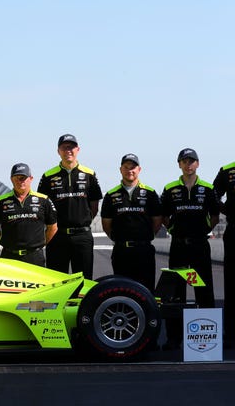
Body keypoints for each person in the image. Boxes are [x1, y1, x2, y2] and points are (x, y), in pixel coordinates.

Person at [160, 148, 220, 349]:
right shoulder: (170, 189)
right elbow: (164, 216)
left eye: (192, 161)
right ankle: (174, 339)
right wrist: (173, 229)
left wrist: (203, 231)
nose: (188, 165)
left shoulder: (208, 188)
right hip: (178, 245)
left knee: (204, 289)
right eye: (184, 161)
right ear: (179, 164)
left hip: (199, 245)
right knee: (176, 292)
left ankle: (208, 338)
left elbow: (214, 216)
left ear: (198, 164)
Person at [37, 134, 103, 279]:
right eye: (64, 147)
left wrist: (81, 221)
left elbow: (94, 206)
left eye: (71, 147)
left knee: (84, 281)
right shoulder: (48, 176)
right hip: (56, 236)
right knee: (56, 281)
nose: (68, 150)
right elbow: (43, 208)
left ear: (78, 149)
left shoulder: (89, 174)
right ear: (58, 151)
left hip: (82, 235)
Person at [100, 154, 163, 291]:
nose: (130, 170)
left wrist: (145, 236)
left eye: (133, 167)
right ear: (120, 169)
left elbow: (157, 221)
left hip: (144, 250)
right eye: (126, 167)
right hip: (121, 251)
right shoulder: (111, 195)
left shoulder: (150, 193)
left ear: (139, 169)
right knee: (122, 290)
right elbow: (106, 224)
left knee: (146, 291)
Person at [0, 163, 57, 266]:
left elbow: (53, 227)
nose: (20, 181)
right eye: (17, 178)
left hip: (35, 256)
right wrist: (3, 242)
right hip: (9, 256)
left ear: (31, 178)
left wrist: (40, 244)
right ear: (11, 179)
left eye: (23, 178)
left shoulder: (44, 200)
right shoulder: (0, 201)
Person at [214, 160, 235, 342]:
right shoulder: (227, 171)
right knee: (231, 285)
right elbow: (213, 194)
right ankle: (230, 334)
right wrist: (227, 209)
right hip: (234, 231)